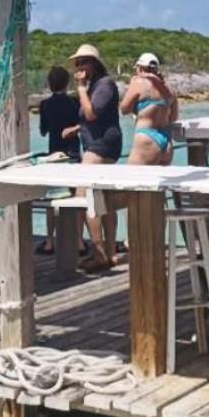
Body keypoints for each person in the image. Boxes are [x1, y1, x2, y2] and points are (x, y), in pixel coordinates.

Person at [71, 43, 122, 270]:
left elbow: (91, 114)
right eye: (78, 62)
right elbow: (92, 116)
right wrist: (76, 128)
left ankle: (99, 252)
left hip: (100, 146)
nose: (80, 66)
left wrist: (80, 88)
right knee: (106, 200)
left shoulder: (104, 85)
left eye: (84, 62)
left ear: (94, 64)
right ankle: (110, 253)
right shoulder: (97, 86)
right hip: (101, 143)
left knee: (85, 197)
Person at [37, 65, 83, 254]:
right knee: (78, 197)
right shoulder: (75, 102)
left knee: (51, 199)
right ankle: (79, 241)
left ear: (49, 83)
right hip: (72, 151)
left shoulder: (45, 105)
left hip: (54, 154)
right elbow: (83, 123)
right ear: (68, 83)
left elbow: (43, 130)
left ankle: (49, 240)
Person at [121, 52, 178, 166]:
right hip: (166, 141)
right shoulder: (169, 89)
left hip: (147, 138)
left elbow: (124, 109)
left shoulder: (139, 82)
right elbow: (173, 118)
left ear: (141, 67)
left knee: (133, 180)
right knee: (161, 183)